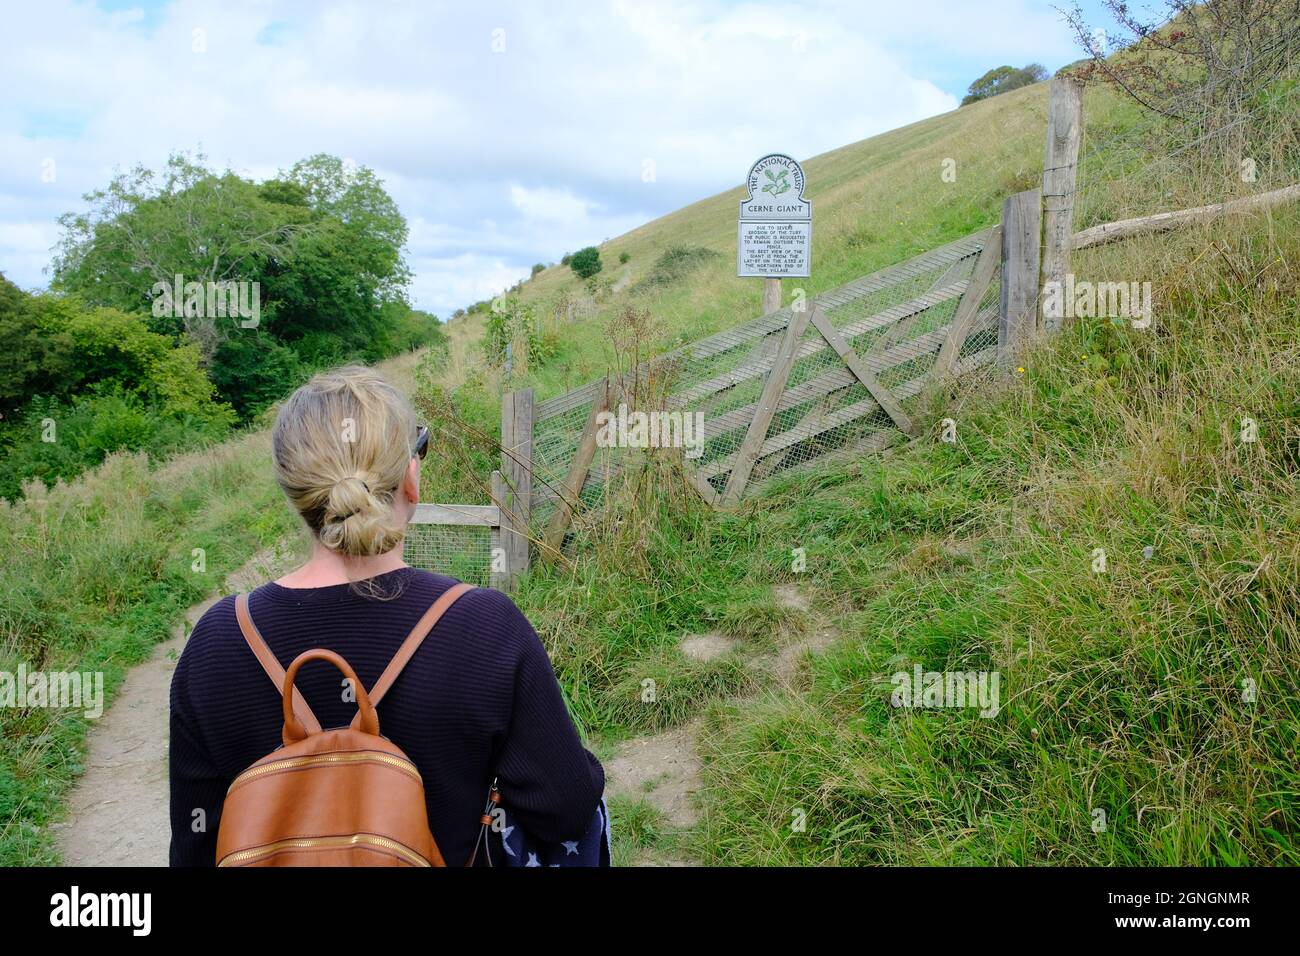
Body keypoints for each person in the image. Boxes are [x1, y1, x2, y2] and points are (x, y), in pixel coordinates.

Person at [168, 365, 605, 866]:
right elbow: (566, 810)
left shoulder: (216, 642)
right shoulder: (484, 627)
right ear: (411, 478)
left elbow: (196, 846)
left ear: (294, 494)